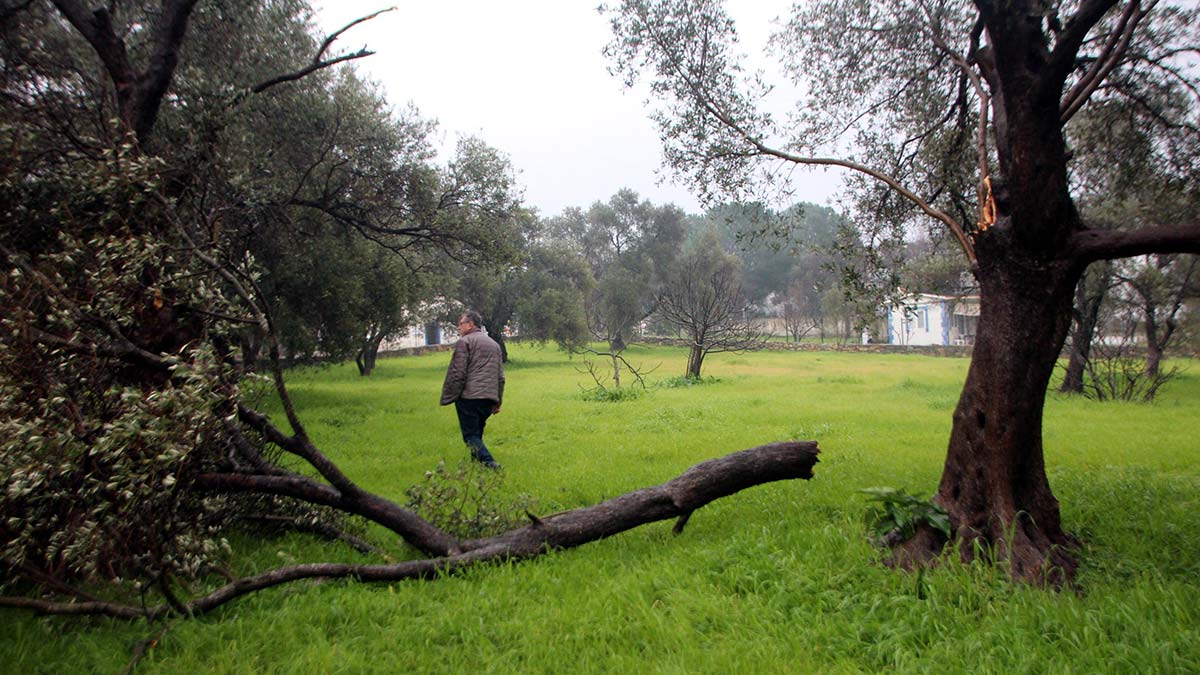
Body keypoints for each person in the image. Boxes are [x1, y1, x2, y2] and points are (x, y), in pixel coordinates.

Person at [440, 310, 505, 469]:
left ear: (470, 324)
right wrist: (498, 400)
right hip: (488, 398)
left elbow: (458, 372)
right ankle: (476, 468)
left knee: (470, 436)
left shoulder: (465, 342)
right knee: (477, 435)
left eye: (461, 323)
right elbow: (500, 377)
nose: (459, 327)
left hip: (469, 397)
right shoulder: (494, 345)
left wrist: (451, 395)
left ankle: (491, 463)